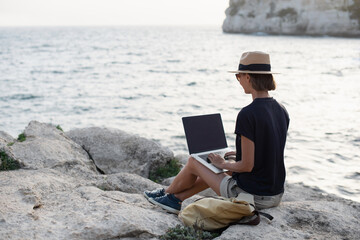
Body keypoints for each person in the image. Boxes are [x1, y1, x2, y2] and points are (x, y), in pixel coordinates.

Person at [144, 51, 290, 214]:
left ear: (247, 77)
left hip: (252, 197)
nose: (239, 80)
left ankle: (166, 192)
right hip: (275, 195)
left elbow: (247, 166)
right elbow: (270, 149)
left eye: (238, 76)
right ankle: (174, 198)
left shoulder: (248, 114)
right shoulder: (281, 109)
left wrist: (223, 164)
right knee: (222, 165)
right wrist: (238, 155)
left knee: (194, 161)